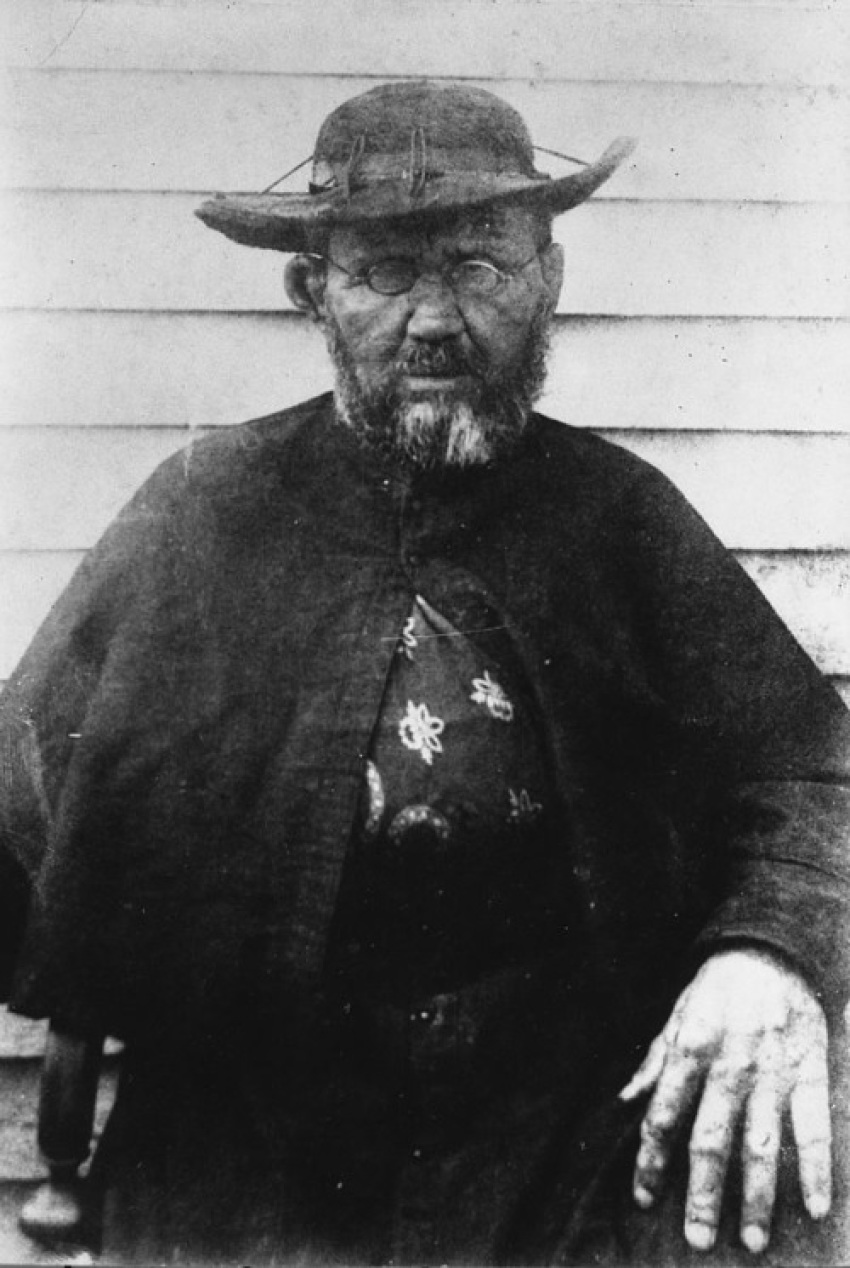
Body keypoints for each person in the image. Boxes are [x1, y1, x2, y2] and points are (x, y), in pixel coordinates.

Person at [0, 80, 848, 1266]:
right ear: (313, 292)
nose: (436, 319)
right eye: (387, 273)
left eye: (479, 266)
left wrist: (767, 953)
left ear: (548, 280)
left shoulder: (619, 519)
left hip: (562, 1134)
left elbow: (809, 773)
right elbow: (22, 797)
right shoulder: (200, 513)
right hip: (256, 1145)